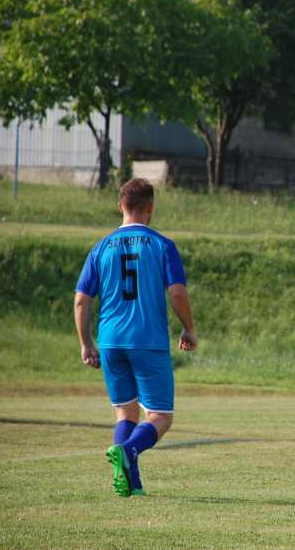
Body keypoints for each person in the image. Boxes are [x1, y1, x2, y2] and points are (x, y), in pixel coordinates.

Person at [74, 178, 196, 498]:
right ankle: (129, 452)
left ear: (120, 207)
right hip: (147, 340)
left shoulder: (101, 247)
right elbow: (177, 292)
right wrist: (189, 328)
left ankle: (130, 483)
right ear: (150, 209)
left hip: (111, 341)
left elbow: (81, 300)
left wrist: (86, 342)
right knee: (160, 417)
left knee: (125, 413)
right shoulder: (161, 245)